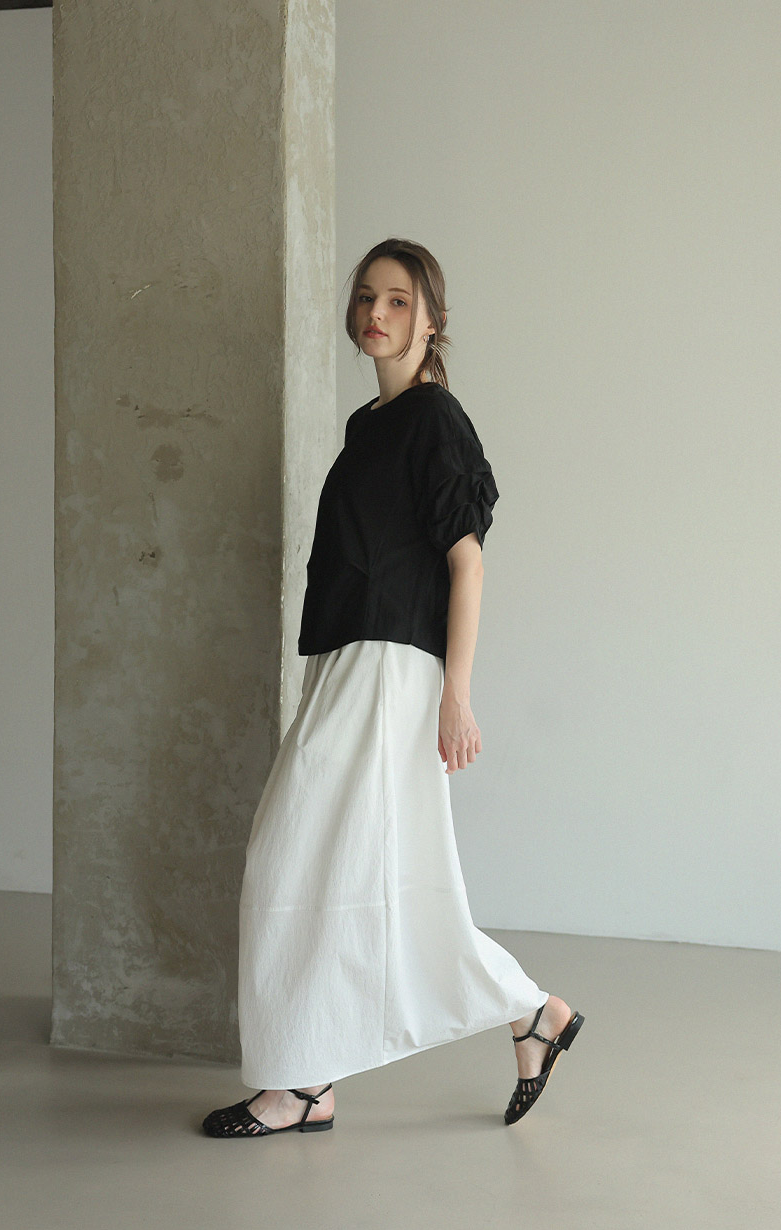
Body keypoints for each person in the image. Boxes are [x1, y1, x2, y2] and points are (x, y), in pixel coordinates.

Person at [202, 238, 584, 1139]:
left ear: (433, 320)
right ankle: (523, 1015)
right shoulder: (369, 425)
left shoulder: (433, 420)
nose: (376, 313)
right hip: (348, 662)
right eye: (367, 297)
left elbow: (468, 564)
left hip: (389, 668)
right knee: (367, 874)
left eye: (399, 300)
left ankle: (305, 1083)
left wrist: (457, 693)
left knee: (294, 860)